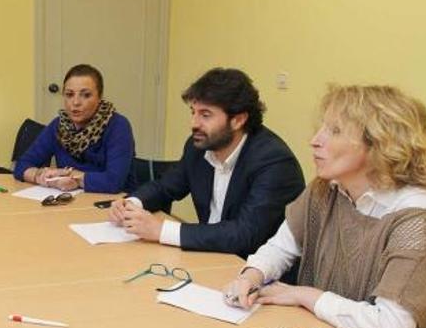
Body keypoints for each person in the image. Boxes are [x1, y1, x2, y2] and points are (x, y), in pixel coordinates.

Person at [224, 85, 426, 328]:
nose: (314, 140)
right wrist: (252, 275)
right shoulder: (326, 189)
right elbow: (281, 247)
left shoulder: (416, 218)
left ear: (379, 144)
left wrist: (304, 295)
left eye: (334, 131)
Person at [109, 67, 304, 258]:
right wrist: (131, 204)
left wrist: (161, 230)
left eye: (205, 115)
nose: (194, 124)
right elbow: (165, 187)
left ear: (238, 120)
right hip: (209, 256)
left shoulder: (274, 162)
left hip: (255, 272)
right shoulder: (198, 147)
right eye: (193, 112)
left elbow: (245, 234)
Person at [13, 64, 135, 193]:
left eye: (86, 95)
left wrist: (74, 178)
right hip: (69, 202)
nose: (75, 102)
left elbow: (113, 182)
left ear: (99, 98)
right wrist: (41, 176)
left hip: (115, 204)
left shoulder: (118, 125)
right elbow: (21, 165)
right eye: (69, 95)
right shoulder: (59, 125)